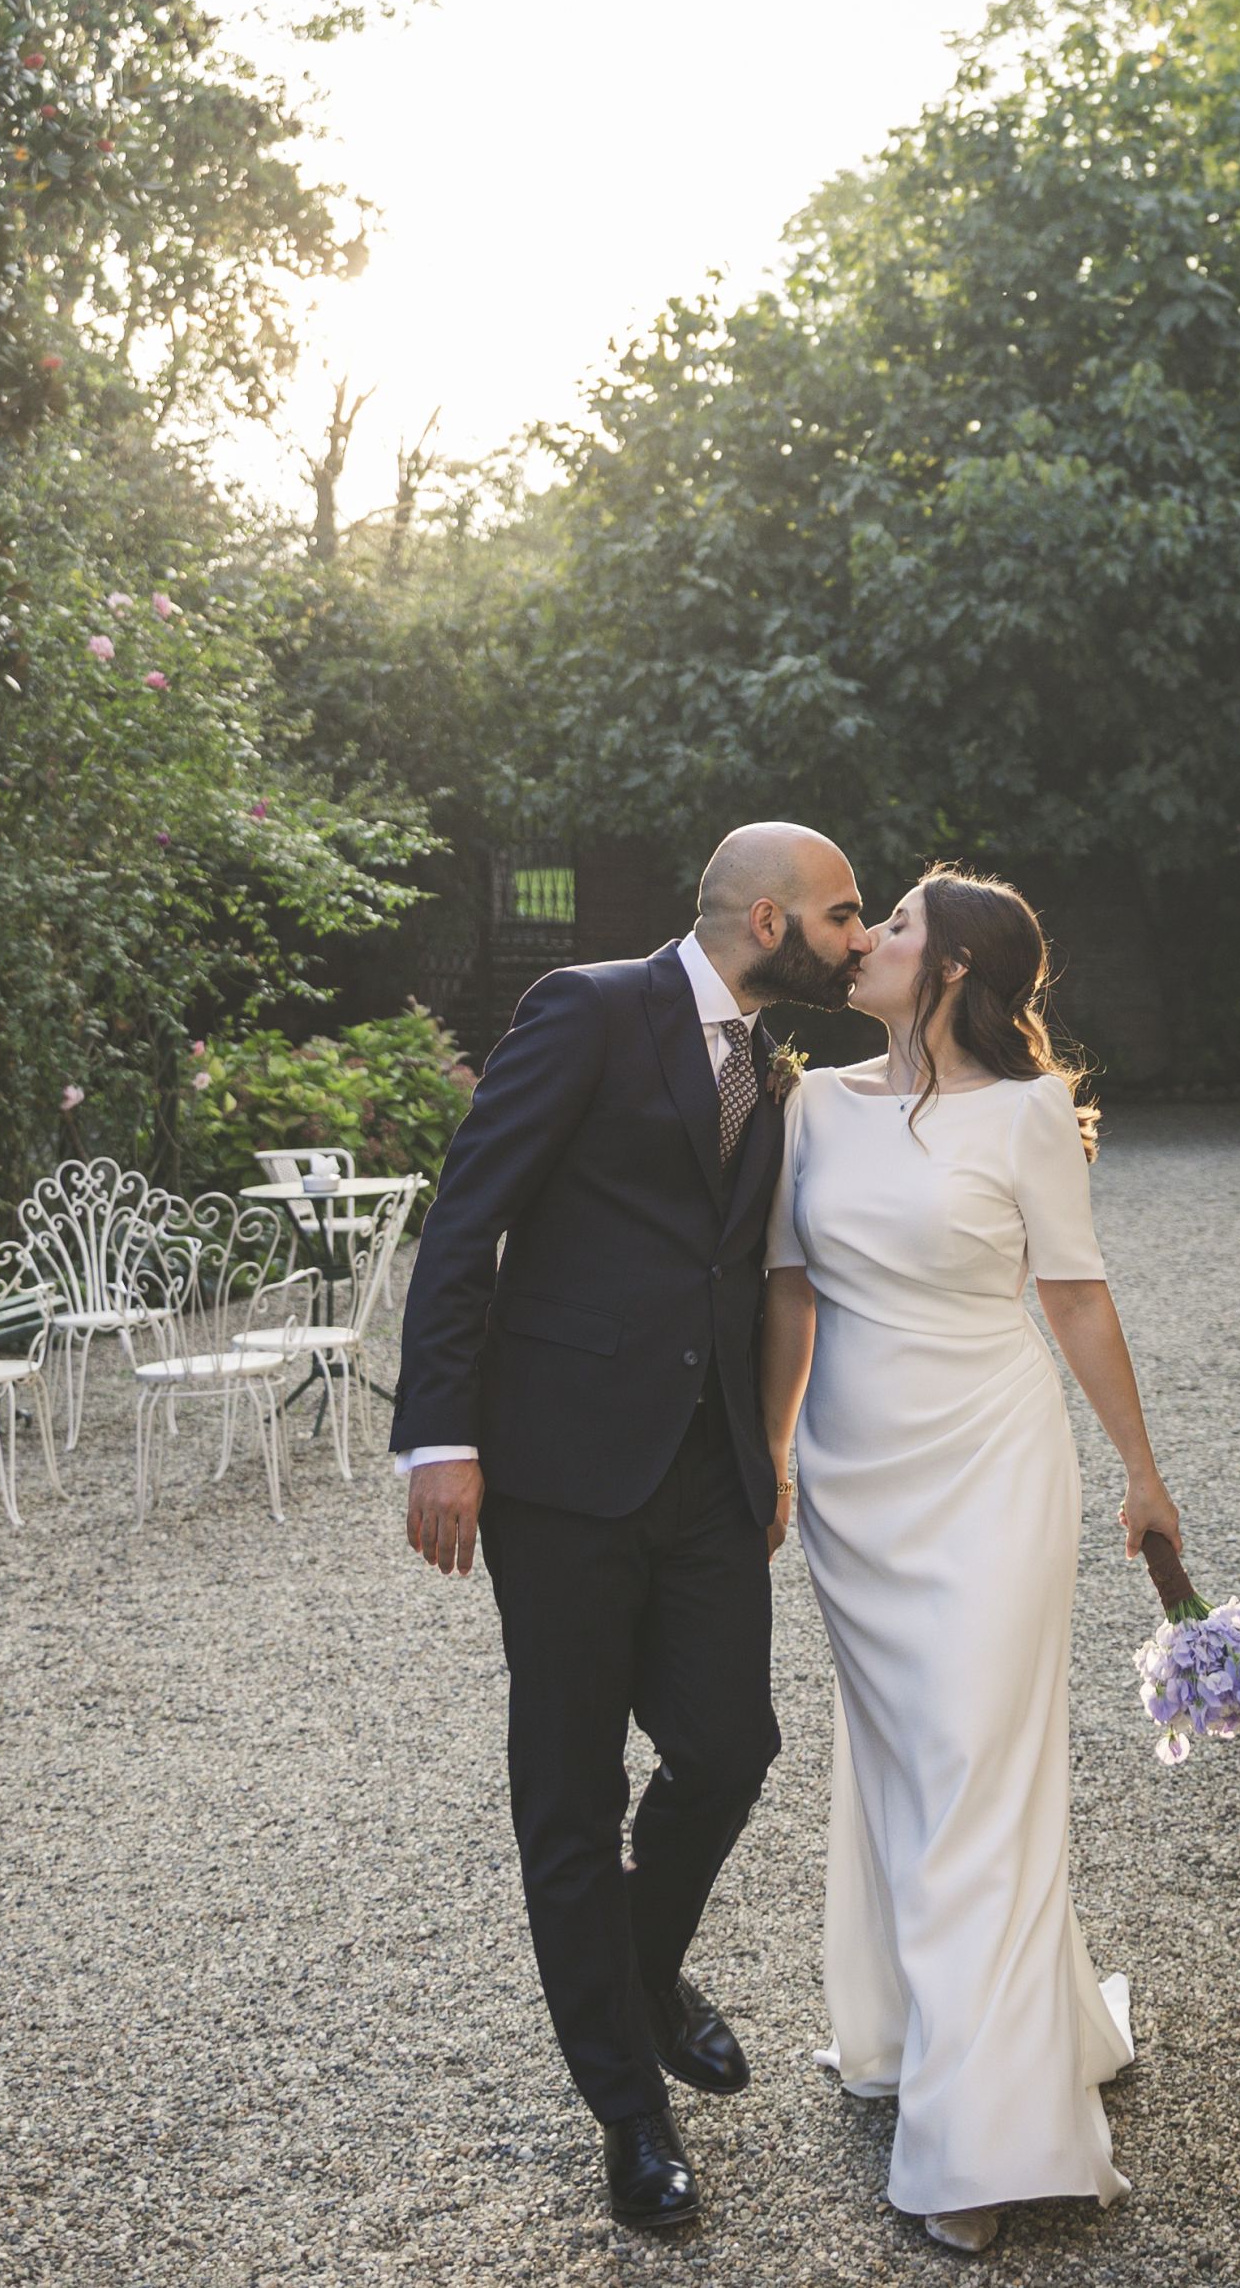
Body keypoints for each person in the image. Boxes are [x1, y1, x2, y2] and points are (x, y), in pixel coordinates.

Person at [392, 823, 870, 2230]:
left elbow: (748, 1270)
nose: (858, 938)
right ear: (771, 920)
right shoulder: (590, 1009)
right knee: (570, 1793)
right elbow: (467, 1218)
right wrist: (442, 1438)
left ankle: (641, 1972)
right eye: (844, 914)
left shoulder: (771, 1067)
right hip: (559, 1474)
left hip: (710, 1471)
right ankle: (629, 2113)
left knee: (730, 1748)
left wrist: (766, 1452)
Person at [760, 865, 1181, 2256]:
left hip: (995, 1467)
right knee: (913, 1772)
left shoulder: (1027, 1113)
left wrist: (1142, 1473)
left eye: (893, 926)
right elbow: (788, 1288)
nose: (866, 939)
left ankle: (978, 2139)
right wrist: (772, 1452)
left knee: (978, 1776)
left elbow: (1077, 1296)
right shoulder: (813, 1104)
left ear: (948, 969)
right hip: (857, 1489)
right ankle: (964, 2029)